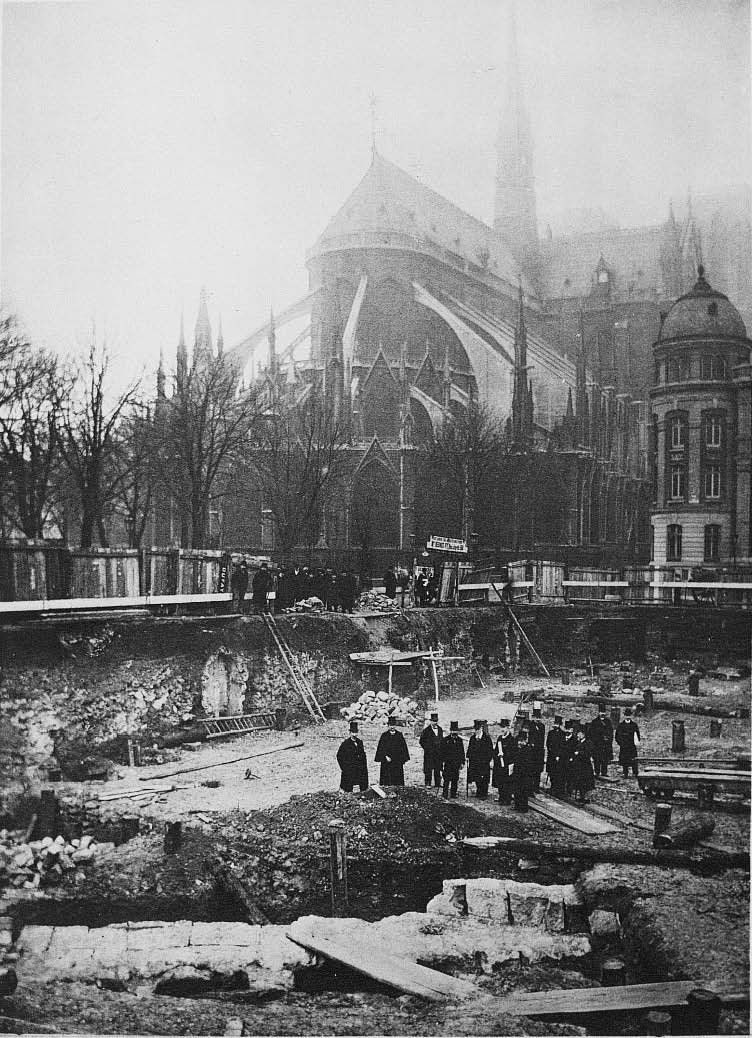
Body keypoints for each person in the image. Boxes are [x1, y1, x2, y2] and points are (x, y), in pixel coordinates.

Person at [374, 716, 410, 785]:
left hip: (397, 761)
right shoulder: (384, 736)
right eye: (390, 725)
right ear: (388, 725)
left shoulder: (399, 735)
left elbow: (403, 748)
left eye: (393, 725)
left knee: (397, 779)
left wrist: (402, 758)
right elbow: (381, 748)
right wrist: (385, 756)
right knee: (386, 779)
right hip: (387, 761)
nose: (392, 727)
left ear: (395, 725)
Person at [336, 721, 369, 792]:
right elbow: (339, 756)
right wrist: (344, 768)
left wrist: (363, 765)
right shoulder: (345, 744)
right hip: (350, 768)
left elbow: (363, 754)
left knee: (361, 786)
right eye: (353, 732)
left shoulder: (360, 742)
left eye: (356, 732)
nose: (354, 734)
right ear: (350, 733)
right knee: (348, 786)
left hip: (359, 768)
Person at [511, 727, 538, 812]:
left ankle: (523, 807)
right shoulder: (518, 749)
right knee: (517, 790)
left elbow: (528, 764)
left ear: (525, 741)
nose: (520, 743)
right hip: (517, 773)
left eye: (522, 741)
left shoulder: (528, 750)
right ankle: (517, 805)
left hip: (525, 775)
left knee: (523, 791)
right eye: (519, 741)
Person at [466, 719, 494, 799]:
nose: (476, 731)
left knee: (484, 778)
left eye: (478, 729)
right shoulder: (473, 738)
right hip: (475, 762)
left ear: (481, 728)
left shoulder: (487, 738)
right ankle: (479, 791)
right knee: (477, 777)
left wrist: (487, 760)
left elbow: (490, 751)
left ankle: (484, 793)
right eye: (475, 729)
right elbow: (470, 749)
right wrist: (468, 756)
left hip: (484, 762)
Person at [492, 718, 516, 805]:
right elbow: (495, 751)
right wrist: (497, 756)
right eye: (501, 727)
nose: (502, 729)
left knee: (507, 782)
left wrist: (504, 755)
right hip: (499, 765)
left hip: (507, 765)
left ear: (508, 728)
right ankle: (501, 797)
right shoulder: (500, 738)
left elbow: (513, 753)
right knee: (500, 781)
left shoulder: (511, 740)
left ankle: (507, 799)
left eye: (504, 727)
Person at [569, 728, 596, 802]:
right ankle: (581, 796)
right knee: (579, 781)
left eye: (579, 734)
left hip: (585, 766)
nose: (578, 735)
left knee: (585, 781)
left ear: (583, 735)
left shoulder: (588, 743)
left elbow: (588, 753)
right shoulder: (578, 742)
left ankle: (585, 797)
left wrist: (579, 753)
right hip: (578, 765)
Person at [587, 705, 614, 778]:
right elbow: (591, 734)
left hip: (606, 745)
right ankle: (597, 772)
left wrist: (608, 739)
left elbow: (611, 733)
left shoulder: (608, 722)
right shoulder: (594, 722)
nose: (602, 714)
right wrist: (598, 740)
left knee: (605, 759)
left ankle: (604, 772)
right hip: (597, 745)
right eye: (601, 712)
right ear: (598, 713)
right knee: (597, 759)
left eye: (604, 713)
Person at [440, 720, 465, 798]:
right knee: (446, 779)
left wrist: (462, 762)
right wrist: (442, 761)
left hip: (456, 763)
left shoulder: (459, 740)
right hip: (448, 763)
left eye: (456, 731)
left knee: (455, 779)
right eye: (453, 731)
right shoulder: (445, 740)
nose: (454, 732)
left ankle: (453, 794)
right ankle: (445, 794)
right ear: (450, 731)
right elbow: (441, 752)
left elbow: (462, 752)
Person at [419, 712, 443, 789]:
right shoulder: (426, 730)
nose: (435, 722)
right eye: (433, 721)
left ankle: (437, 783)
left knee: (438, 768)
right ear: (430, 721)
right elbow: (421, 741)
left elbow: (441, 740)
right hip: (429, 753)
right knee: (428, 768)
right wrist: (427, 748)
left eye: (436, 721)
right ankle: (428, 783)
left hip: (438, 753)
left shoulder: (440, 729)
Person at [546, 715, 568, 798]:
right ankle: (552, 787)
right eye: (555, 723)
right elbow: (548, 744)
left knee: (558, 773)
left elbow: (562, 746)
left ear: (560, 724)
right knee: (551, 772)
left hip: (559, 757)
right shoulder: (550, 733)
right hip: (551, 755)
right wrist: (550, 751)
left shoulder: (563, 734)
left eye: (557, 724)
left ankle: (557, 789)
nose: (556, 725)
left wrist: (558, 755)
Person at [615, 708, 641, 778]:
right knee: (624, 760)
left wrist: (636, 742)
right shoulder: (621, 725)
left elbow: (637, 735)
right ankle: (625, 773)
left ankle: (635, 773)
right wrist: (621, 743)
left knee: (633, 760)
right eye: (626, 715)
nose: (628, 717)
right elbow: (617, 736)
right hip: (624, 746)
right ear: (624, 716)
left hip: (632, 746)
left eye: (629, 715)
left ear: (631, 716)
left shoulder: (634, 725)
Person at [529, 702, 546, 790]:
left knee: (537, 769)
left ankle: (536, 786)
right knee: (530, 768)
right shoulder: (530, 725)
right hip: (531, 750)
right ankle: (530, 786)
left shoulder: (542, 726)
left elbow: (542, 739)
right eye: (535, 717)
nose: (537, 719)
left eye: (538, 718)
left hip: (539, 751)